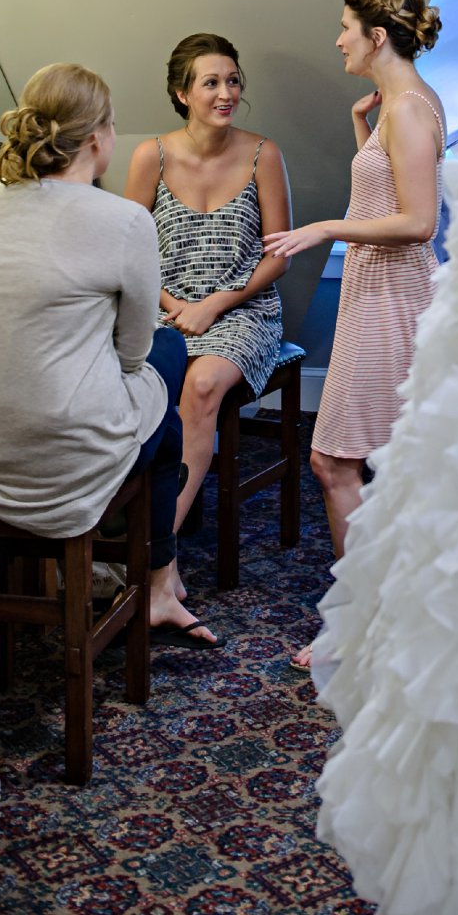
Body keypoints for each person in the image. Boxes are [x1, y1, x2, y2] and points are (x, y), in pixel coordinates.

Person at [0, 62, 217, 646]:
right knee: (168, 356)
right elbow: (132, 353)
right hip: (68, 453)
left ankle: (152, 578)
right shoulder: (123, 221)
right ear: (97, 138)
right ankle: (158, 582)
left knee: (163, 426)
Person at [265, 0, 444, 670]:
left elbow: (419, 221)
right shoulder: (401, 106)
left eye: (345, 28)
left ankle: (362, 626)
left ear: (376, 36)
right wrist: (359, 134)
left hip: (390, 298)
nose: (337, 39)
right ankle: (382, 616)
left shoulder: (407, 109)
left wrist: (324, 227)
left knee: (336, 459)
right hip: (380, 290)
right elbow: (393, 190)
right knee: (375, 459)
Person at [121, 33, 293, 547]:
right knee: (124, 381)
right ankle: (114, 522)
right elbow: (130, 249)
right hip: (164, 307)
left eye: (233, 81)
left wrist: (218, 302)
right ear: (182, 94)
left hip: (244, 311)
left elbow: (278, 254)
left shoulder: (264, 153)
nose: (226, 93)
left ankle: (156, 549)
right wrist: (174, 307)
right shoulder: (150, 155)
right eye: (211, 83)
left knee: (198, 386)